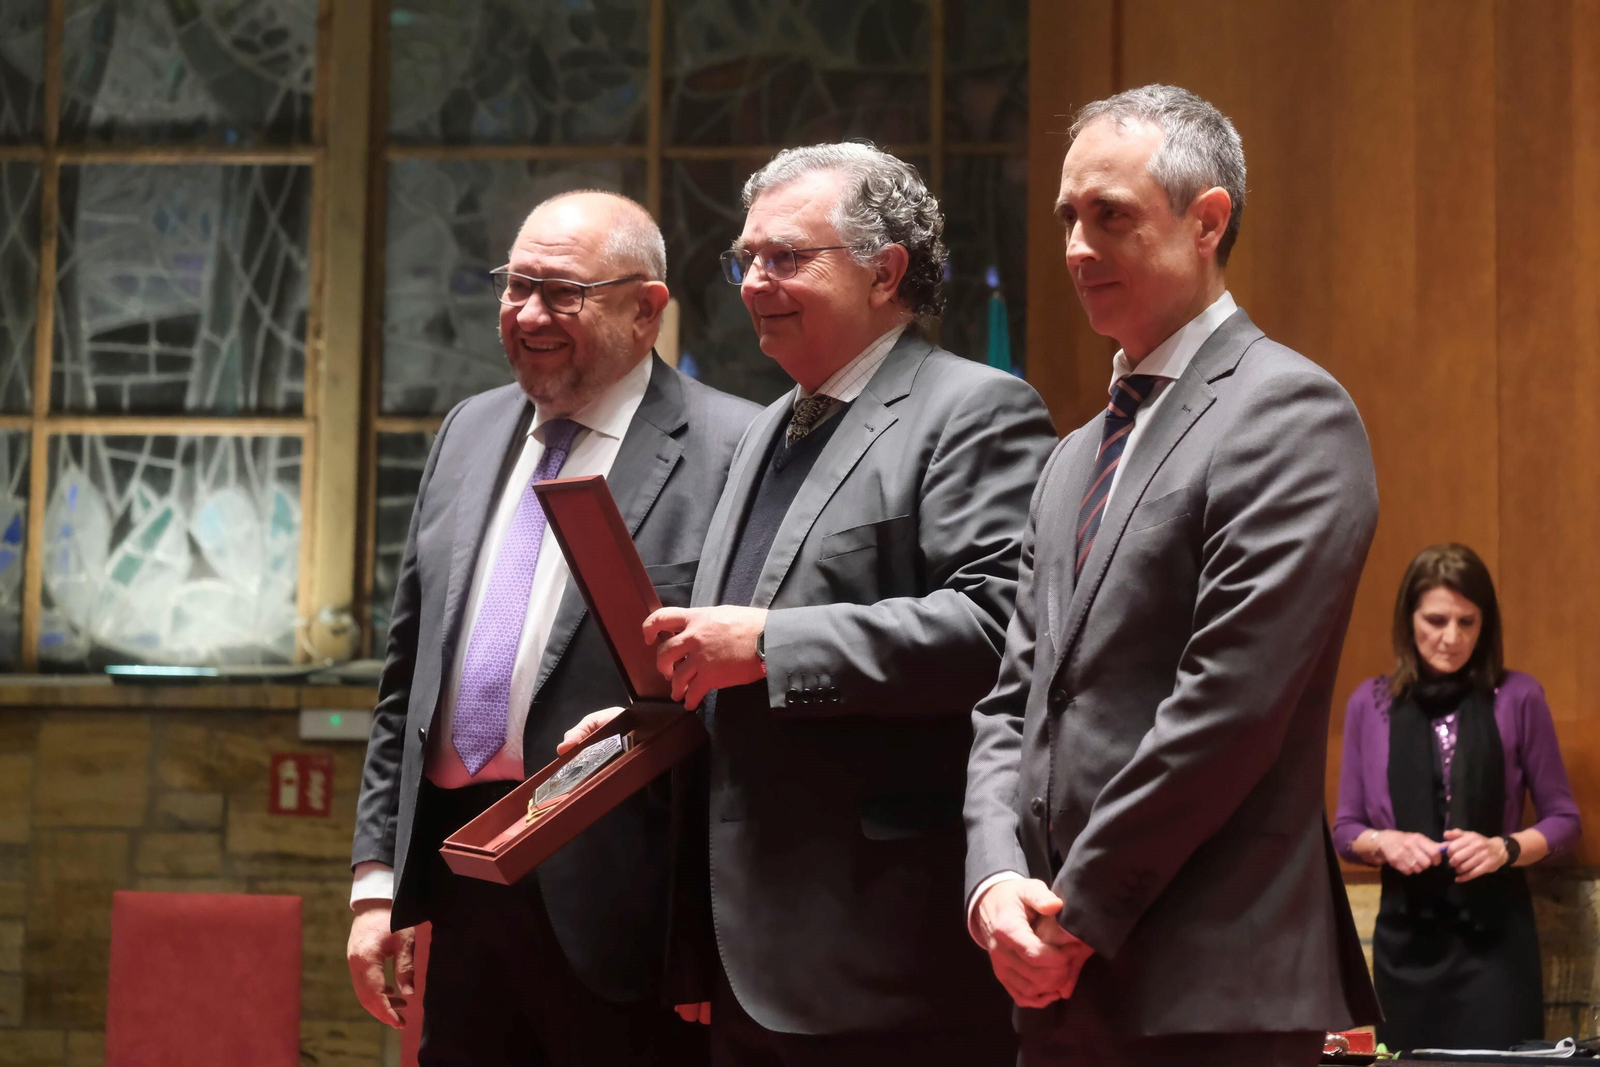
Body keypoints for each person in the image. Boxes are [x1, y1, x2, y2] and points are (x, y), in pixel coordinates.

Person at [570, 142, 1057, 1065]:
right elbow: (735, 653)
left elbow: (999, 630)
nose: (754, 281)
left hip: (884, 958)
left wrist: (771, 643)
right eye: (746, 258)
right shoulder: (765, 427)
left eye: (787, 258)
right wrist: (658, 705)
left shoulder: (975, 410)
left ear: (887, 272)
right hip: (745, 944)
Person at [962, 84, 1383, 1067]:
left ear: (1206, 221)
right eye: (1068, 215)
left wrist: (1076, 914)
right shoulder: (1072, 456)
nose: (1074, 246)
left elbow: (1227, 706)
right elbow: (1010, 702)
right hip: (1051, 978)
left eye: (1111, 215)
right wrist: (993, 888)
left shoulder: (1288, 412)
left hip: (1207, 983)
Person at [347, 190, 760, 1066]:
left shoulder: (734, 449)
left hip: (627, 917)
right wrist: (377, 886)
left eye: (562, 292)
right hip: (463, 885)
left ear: (647, 308)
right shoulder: (468, 429)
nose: (529, 314)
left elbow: (741, 704)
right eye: (516, 285)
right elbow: (406, 683)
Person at [1334, 543, 1581, 1053]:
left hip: (1495, 939)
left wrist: (1504, 849)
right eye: (1436, 620)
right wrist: (1386, 843)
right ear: (1409, 621)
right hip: (1406, 938)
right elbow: (1345, 831)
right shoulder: (1370, 703)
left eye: (1468, 622)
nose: (1452, 638)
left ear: (1485, 624)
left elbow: (1564, 820)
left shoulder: (1519, 695)